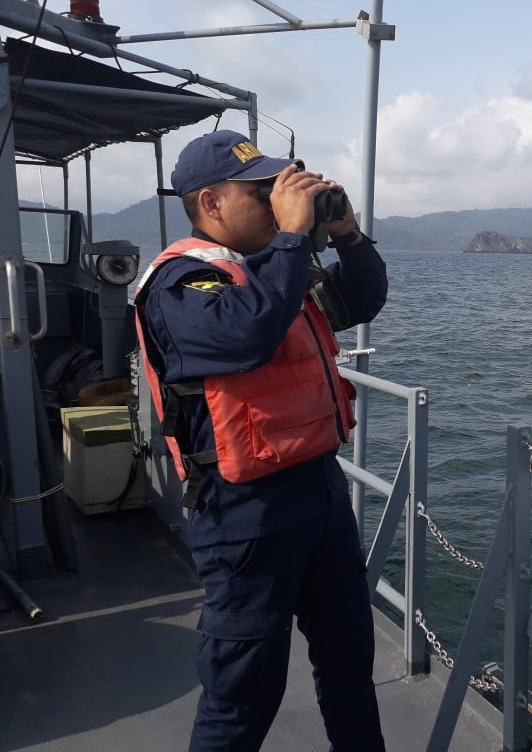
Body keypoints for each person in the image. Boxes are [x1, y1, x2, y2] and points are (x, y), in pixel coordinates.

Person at [134, 129, 387, 751]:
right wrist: (294, 238)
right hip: (244, 512)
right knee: (243, 696)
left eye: (279, 190)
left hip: (319, 493)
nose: (278, 205)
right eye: (262, 193)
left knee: (350, 666)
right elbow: (244, 336)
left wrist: (347, 236)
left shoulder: (278, 269)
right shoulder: (181, 283)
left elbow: (361, 299)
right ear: (211, 203)